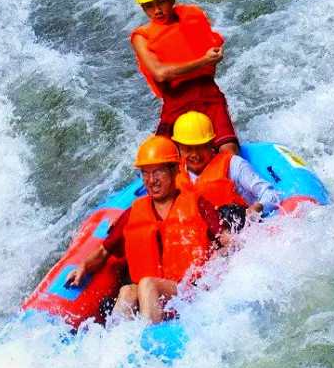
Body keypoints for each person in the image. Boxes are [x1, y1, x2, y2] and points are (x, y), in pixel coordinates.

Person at [65, 136, 229, 322]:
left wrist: (215, 266)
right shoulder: (134, 213)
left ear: (175, 169)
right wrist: (84, 267)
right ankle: (120, 337)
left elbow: (228, 242)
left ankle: (149, 334)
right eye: (145, 173)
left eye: (158, 172)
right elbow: (103, 252)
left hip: (190, 292)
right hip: (152, 298)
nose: (152, 181)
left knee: (147, 284)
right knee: (127, 291)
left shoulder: (198, 204)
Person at [130, 0, 239, 155]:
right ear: (143, 9)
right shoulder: (141, 37)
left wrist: (212, 59)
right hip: (175, 103)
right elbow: (160, 73)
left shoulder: (194, 17)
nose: (157, 10)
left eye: (161, 2)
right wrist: (203, 61)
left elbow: (211, 61)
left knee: (229, 150)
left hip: (209, 95)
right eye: (149, 6)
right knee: (161, 157)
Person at [173, 112, 282, 217]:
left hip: (240, 222)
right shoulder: (174, 175)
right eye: (187, 149)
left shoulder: (234, 165)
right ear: (178, 148)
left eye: (200, 147)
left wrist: (258, 208)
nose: (194, 155)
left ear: (210, 144)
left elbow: (272, 194)